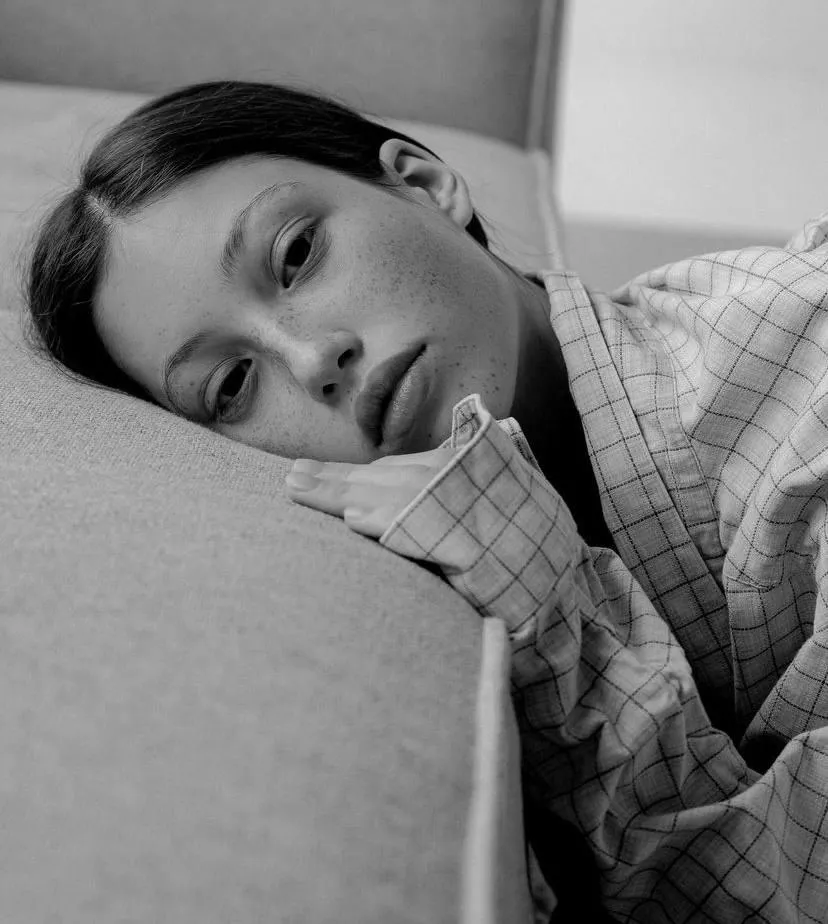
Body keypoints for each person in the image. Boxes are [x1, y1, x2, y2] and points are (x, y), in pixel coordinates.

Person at [25, 80, 828, 923]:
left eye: (297, 255)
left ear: (427, 182)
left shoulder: (799, 403)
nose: (312, 359)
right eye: (231, 384)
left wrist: (556, 604)